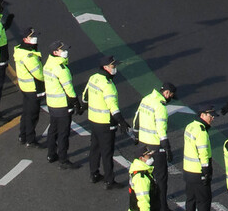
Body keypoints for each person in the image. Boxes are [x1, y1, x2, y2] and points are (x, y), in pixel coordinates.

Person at [134, 82, 176, 211]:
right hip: (155, 146)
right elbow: (161, 130)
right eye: (171, 96)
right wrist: (167, 147)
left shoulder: (146, 99)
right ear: (167, 93)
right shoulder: (160, 107)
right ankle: (163, 207)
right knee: (161, 178)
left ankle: (145, 203)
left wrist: (136, 135)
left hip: (142, 144)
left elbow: (137, 118)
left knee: (144, 176)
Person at [85, 54, 123, 187]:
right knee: (107, 152)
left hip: (93, 120)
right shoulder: (108, 85)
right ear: (106, 67)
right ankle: (109, 180)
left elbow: (85, 96)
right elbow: (112, 106)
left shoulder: (93, 78)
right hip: (105, 123)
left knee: (94, 148)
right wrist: (121, 121)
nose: (115, 68)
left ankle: (94, 174)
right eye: (113, 66)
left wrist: (83, 105)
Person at [44, 40, 77, 167]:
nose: (65, 52)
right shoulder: (61, 68)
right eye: (62, 50)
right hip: (62, 104)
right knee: (63, 133)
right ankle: (63, 159)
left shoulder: (48, 64)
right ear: (55, 52)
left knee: (53, 130)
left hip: (52, 103)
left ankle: (51, 154)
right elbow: (68, 88)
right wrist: (75, 102)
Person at [14, 27, 44, 148]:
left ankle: (23, 135)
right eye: (32, 37)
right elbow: (38, 74)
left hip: (24, 86)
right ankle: (30, 139)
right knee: (32, 114)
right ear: (25, 39)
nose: (35, 38)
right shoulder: (29, 56)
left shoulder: (20, 51)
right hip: (32, 88)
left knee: (26, 112)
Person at [182, 107, 216, 211]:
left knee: (190, 199)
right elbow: (203, 153)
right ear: (202, 115)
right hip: (198, 172)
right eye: (210, 116)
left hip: (188, 171)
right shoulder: (201, 132)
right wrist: (206, 172)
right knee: (204, 201)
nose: (212, 118)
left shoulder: (190, 126)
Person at [129, 147, 156, 211]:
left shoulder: (141, 170)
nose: (151, 157)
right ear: (141, 158)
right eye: (148, 155)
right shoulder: (141, 179)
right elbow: (143, 202)